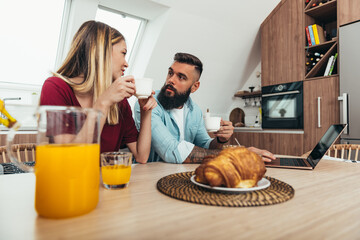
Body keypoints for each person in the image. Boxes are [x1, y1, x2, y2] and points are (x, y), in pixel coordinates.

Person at [40, 20, 157, 164]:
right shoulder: (56, 88)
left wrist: (145, 110)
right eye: (123, 53)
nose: (126, 63)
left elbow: (142, 156)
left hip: (103, 183)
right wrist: (103, 103)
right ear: (103, 52)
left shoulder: (119, 101)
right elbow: (70, 158)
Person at [134, 52, 275, 163]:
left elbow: (206, 146)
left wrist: (220, 139)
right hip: (151, 178)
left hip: (182, 177)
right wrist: (239, 153)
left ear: (195, 86)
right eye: (171, 73)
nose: (171, 80)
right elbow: (173, 152)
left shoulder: (194, 110)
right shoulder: (147, 104)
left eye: (181, 77)